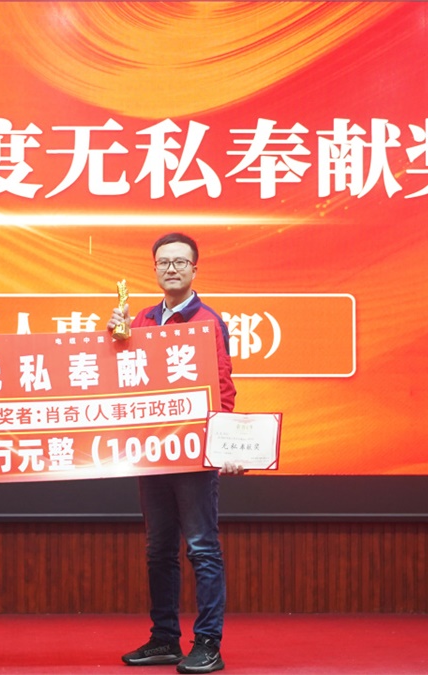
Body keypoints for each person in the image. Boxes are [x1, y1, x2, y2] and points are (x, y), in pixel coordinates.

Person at [107, 232, 237, 674]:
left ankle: (208, 643)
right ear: (155, 269)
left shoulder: (208, 322)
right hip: (152, 452)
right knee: (159, 549)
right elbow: (119, 377)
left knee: (201, 547)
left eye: (181, 262)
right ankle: (164, 638)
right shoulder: (142, 318)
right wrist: (114, 338)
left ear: (195, 269)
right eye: (164, 262)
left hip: (194, 454)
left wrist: (220, 443)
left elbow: (223, 388)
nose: (172, 269)